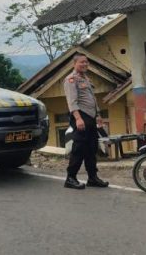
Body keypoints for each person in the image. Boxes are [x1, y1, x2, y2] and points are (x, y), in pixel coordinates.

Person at [63, 53, 109, 189]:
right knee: (79, 148)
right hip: (81, 117)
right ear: (74, 64)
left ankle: (92, 177)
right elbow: (72, 102)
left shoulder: (85, 78)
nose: (84, 64)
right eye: (81, 62)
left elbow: (92, 99)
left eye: (86, 62)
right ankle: (70, 178)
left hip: (91, 117)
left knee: (91, 148)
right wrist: (78, 119)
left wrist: (98, 115)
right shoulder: (71, 79)